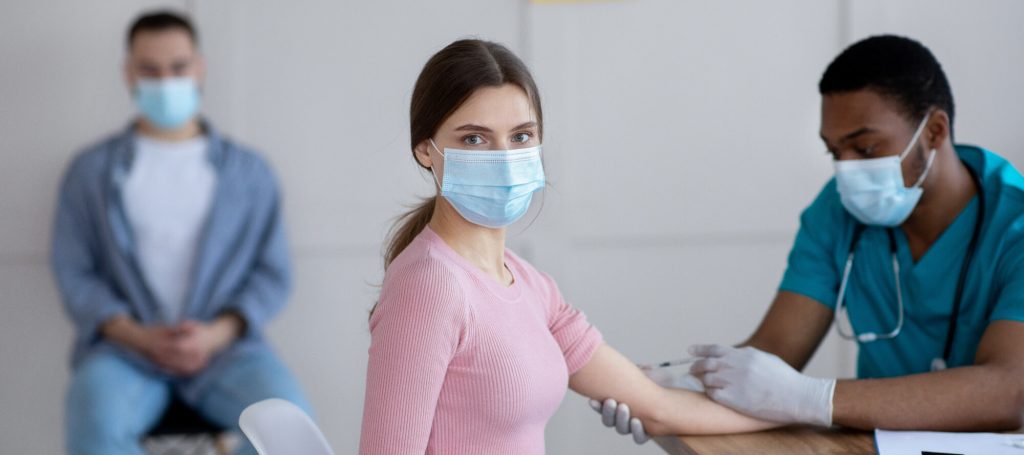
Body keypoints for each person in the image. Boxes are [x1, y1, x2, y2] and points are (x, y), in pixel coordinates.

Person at [358, 39, 779, 454]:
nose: (504, 158)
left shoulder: (528, 284)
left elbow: (657, 406)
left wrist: (810, 407)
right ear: (425, 150)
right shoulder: (428, 285)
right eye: (474, 139)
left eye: (521, 137)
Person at [597, 35, 1024, 441]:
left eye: (867, 148)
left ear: (934, 131)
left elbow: (1008, 391)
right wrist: (672, 390)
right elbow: (776, 353)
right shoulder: (837, 212)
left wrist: (811, 398)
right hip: (868, 443)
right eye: (834, 152)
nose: (847, 169)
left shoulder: (1014, 227)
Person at [51, 11, 309, 455]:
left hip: (228, 351)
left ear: (200, 67)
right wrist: (139, 335)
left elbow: (272, 274)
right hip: (124, 353)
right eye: (149, 70)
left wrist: (214, 335)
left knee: (290, 426)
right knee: (94, 420)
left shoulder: (249, 173)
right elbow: (75, 274)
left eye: (178, 67)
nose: (165, 81)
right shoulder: (90, 173)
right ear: (128, 73)